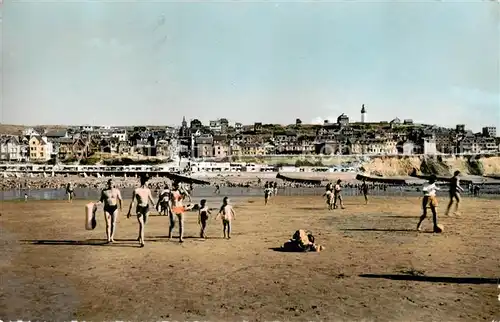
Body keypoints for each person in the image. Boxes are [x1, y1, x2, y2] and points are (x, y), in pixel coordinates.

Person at [127, 175, 156, 247]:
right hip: (139, 208)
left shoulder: (148, 190)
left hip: (146, 208)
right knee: (142, 224)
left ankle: (140, 236)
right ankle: (142, 241)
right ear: (144, 182)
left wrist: (155, 205)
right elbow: (133, 201)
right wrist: (129, 211)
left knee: (144, 224)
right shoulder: (136, 190)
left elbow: (151, 199)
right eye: (147, 182)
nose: (148, 183)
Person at [97, 179, 123, 243]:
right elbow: (101, 200)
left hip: (114, 208)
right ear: (108, 183)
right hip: (107, 208)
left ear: (114, 184)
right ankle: (108, 238)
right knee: (108, 224)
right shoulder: (104, 191)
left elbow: (120, 199)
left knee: (113, 223)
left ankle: (112, 237)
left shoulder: (117, 191)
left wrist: (121, 207)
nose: (111, 184)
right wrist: (97, 203)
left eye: (112, 183)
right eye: (110, 183)